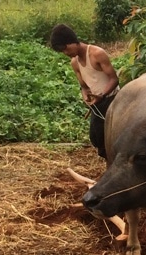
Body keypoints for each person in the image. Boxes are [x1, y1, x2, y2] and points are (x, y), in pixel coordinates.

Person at [50, 24, 119, 158]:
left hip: (112, 99)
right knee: (97, 137)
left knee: (113, 137)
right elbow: (84, 87)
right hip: (97, 103)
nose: (66, 53)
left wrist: (102, 95)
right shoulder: (74, 62)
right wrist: (86, 97)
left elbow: (113, 79)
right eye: (62, 52)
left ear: (73, 41)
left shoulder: (97, 54)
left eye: (66, 49)